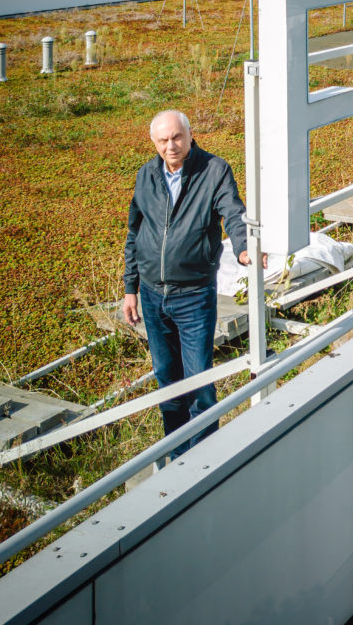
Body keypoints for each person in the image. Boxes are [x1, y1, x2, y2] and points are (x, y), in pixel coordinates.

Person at [123, 110, 257, 455]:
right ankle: (177, 453)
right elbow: (135, 233)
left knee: (199, 383)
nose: (171, 146)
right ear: (153, 142)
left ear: (189, 134)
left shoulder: (213, 171)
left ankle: (204, 460)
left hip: (193, 295)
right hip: (153, 297)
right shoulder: (146, 176)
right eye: (163, 140)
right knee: (167, 381)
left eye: (177, 137)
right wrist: (130, 289)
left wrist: (244, 249)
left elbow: (234, 213)